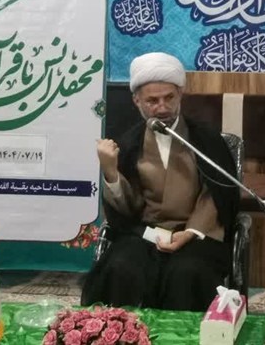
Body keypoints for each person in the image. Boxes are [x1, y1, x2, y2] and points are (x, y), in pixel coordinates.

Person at [81, 52, 239, 311]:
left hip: (196, 235)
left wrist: (191, 232)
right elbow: (128, 210)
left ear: (180, 94)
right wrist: (111, 171)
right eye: (152, 101)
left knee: (187, 272)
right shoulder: (128, 144)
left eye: (169, 98)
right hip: (144, 234)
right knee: (121, 267)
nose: (162, 107)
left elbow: (216, 194)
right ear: (137, 101)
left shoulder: (205, 140)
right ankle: (126, 330)